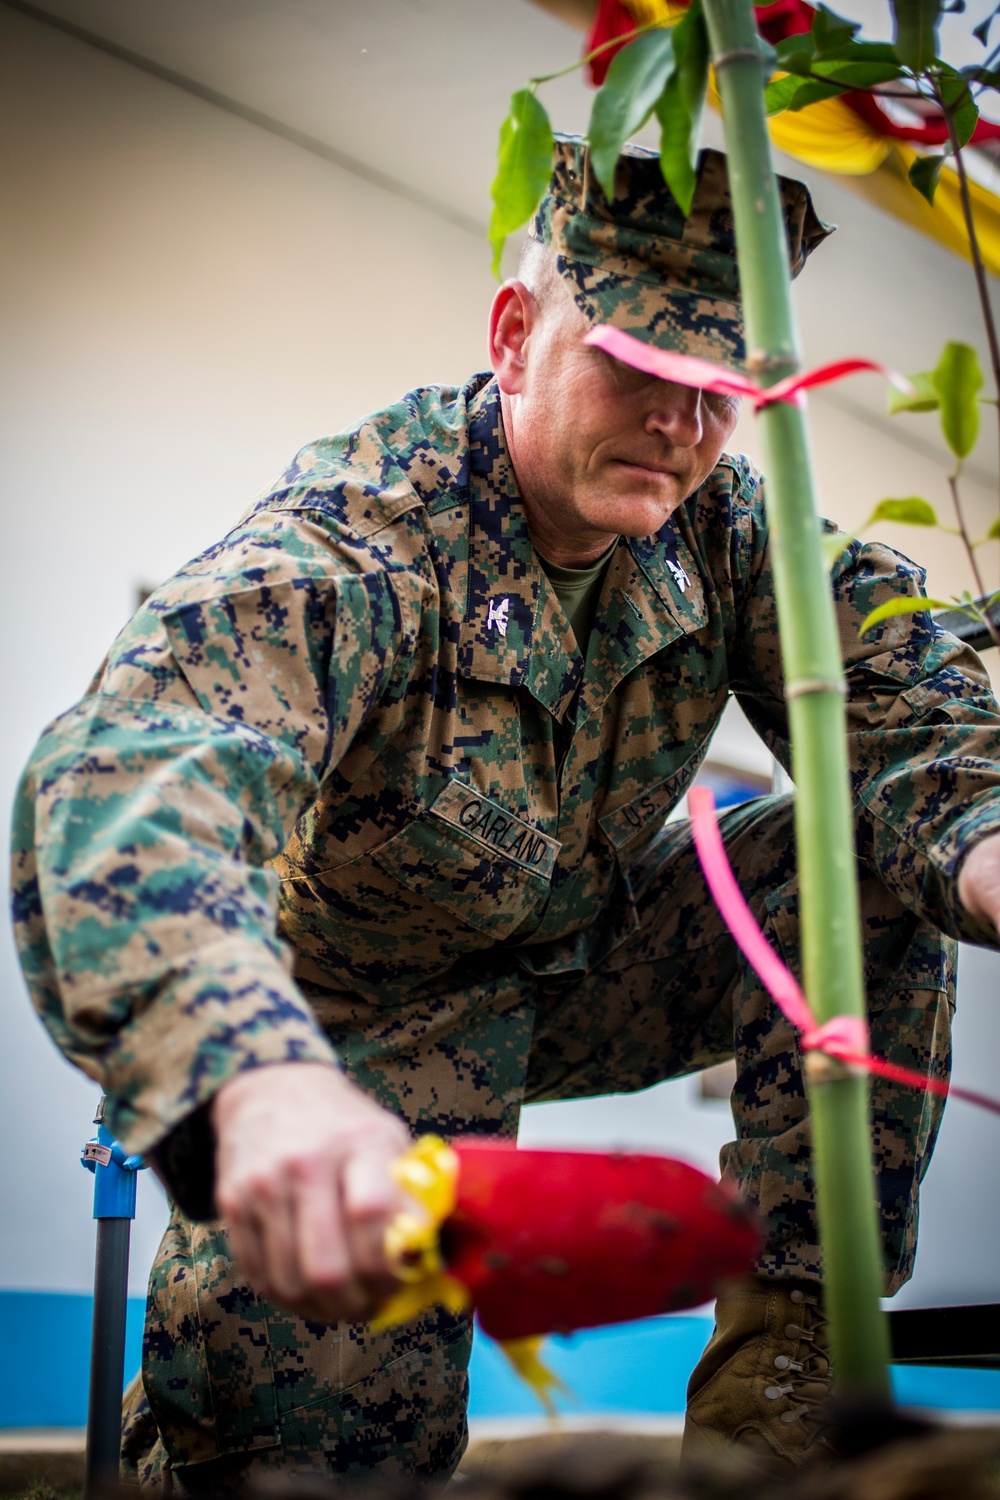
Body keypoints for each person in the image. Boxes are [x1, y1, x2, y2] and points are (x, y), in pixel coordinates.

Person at [13, 137, 1000, 1488]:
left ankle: (790, 1381)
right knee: (312, 1466)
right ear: (517, 332)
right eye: (640, 365)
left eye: (720, 388)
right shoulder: (366, 539)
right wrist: (253, 1078)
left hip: (593, 959)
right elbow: (143, 781)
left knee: (861, 866)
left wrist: (986, 842)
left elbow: (900, 688)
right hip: (353, 1031)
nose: (683, 421)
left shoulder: (719, 530)